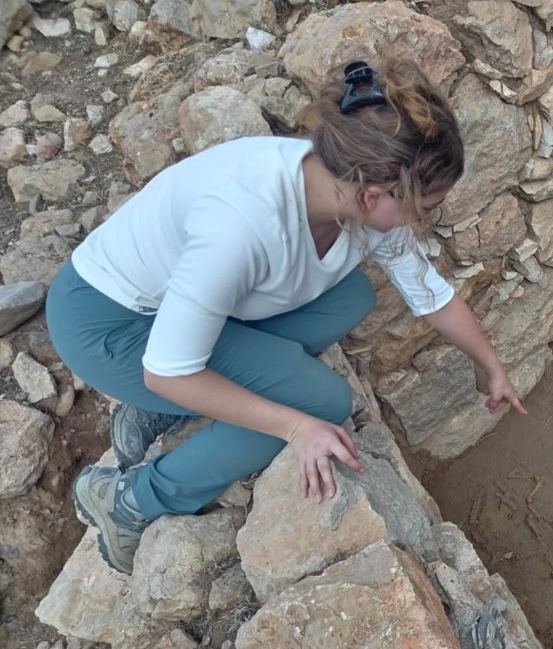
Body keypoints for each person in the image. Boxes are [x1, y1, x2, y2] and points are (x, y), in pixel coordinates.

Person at [45, 56, 527, 575]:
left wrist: (489, 365)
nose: (429, 217)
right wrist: (298, 428)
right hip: (109, 322)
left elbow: (428, 293)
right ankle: (130, 501)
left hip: (171, 311)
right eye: (427, 206)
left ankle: (165, 412)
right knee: (321, 401)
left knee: (351, 297)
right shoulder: (240, 224)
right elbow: (167, 370)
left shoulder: (341, 180)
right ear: (374, 194)